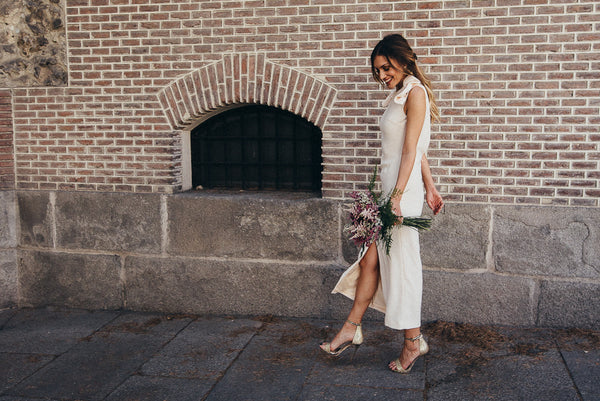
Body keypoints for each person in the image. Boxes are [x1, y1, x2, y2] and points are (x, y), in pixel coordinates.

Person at [319, 34, 444, 374]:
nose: (382, 75)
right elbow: (416, 149)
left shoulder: (415, 93)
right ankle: (352, 327)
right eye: (378, 71)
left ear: (403, 60)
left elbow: (410, 150)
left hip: (400, 195)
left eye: (386, 67)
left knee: (402, 268)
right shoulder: (400, 93)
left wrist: (401, 196)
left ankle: (411, 342)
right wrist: (431, 187)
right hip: (392, 190)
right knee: (371, 260)